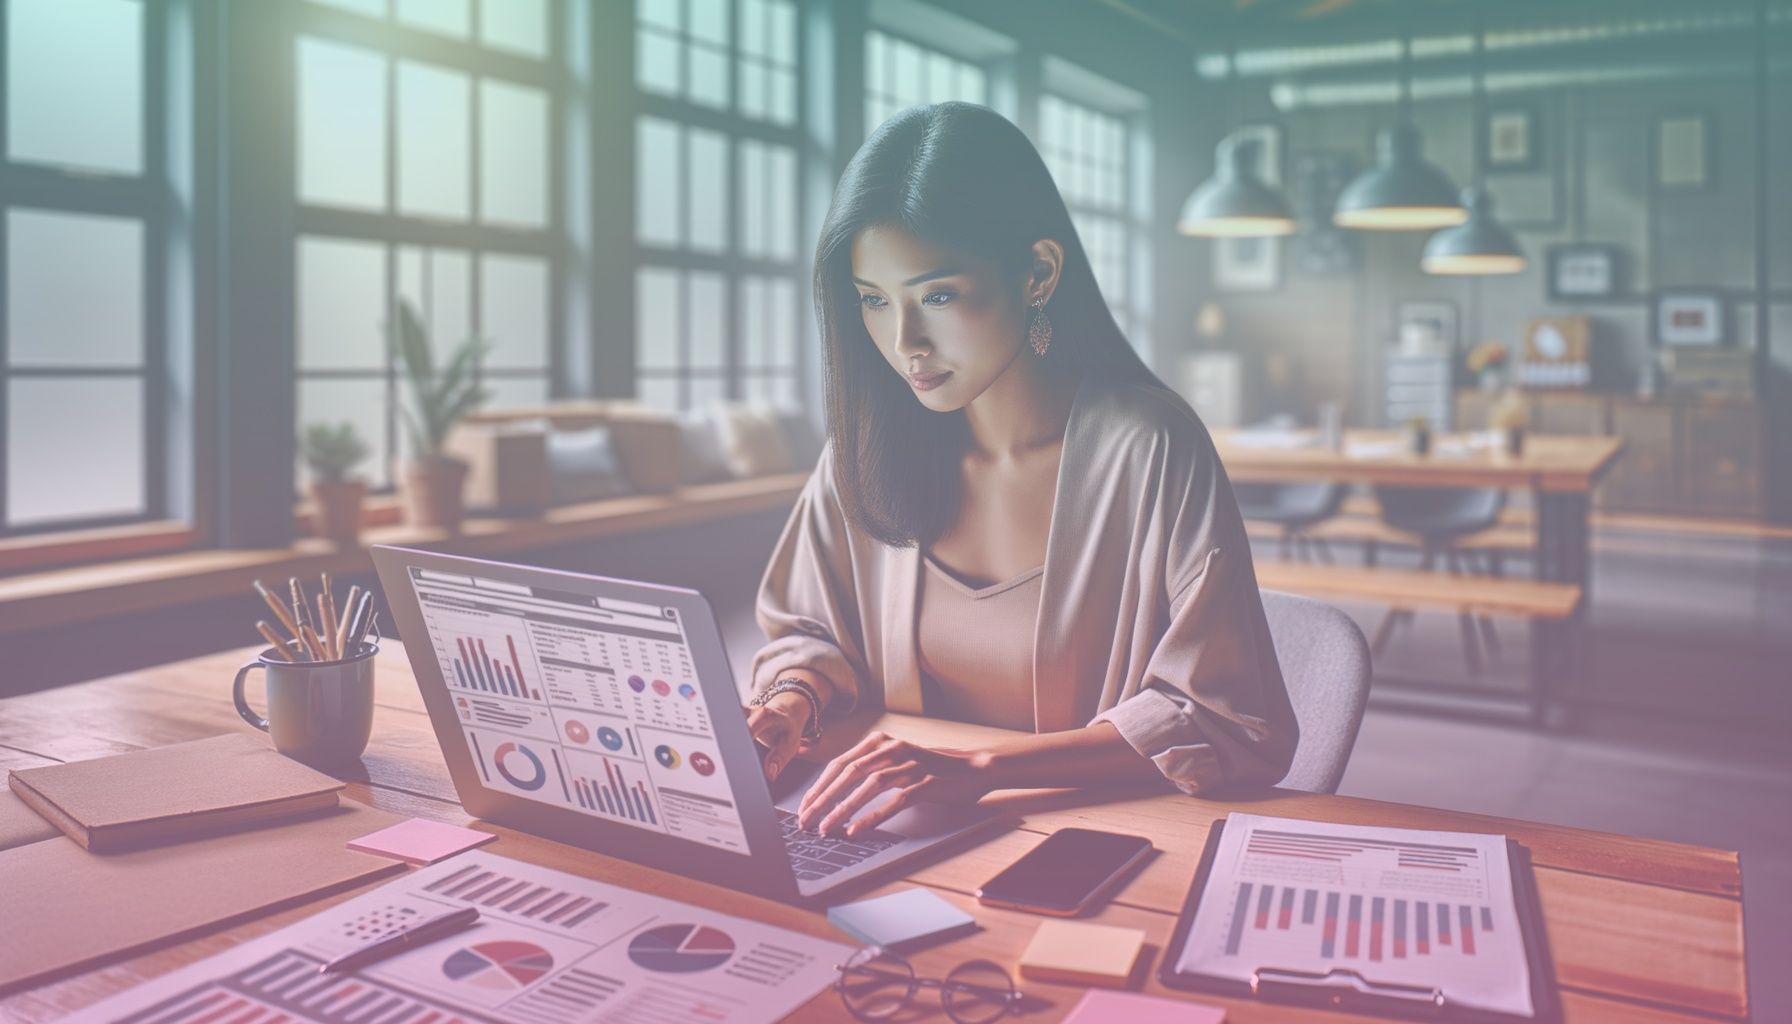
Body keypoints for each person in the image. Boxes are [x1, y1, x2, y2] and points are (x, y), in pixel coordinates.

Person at [746, 102, 1297, 838]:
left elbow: (1226, 720)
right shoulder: (865, 451)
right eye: (874, 302)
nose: (905, 341)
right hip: (877, 832)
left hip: (1092, 841)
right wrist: (791, 701)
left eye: (937, 296)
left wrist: (986, 774)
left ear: (1038, 272)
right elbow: (810, 632)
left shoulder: (1151, 448)